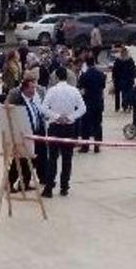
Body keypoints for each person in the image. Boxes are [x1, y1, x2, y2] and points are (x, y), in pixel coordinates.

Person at [42, 69, 86, 197]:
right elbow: (83, 108)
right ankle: (64, 187)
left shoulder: (52, 90)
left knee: (52, 158)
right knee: (67, 159)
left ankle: (49, 188)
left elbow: (44, 108)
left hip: (55, 127)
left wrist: (56, 116)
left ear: (55, 77)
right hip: (69, 127)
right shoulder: (74, 90)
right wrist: (71, 117)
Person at [5, 70, 47, 191]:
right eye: (32, 88)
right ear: (25, 89)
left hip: (36, 133)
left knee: (31, 159)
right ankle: (9, 182)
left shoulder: (33, 100)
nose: (34, 90)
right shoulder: (18, 99)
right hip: (23, 134)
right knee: (20, 160)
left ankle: (25, 183)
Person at [77, 59, 107, 153]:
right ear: (94, 64)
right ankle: (97, 146)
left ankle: (85, 146)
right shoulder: (101, 75)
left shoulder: (84, 76)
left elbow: (81, 89)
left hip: (87, 102)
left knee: (85, 124)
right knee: (97, 124)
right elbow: (103, 87)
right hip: (98, 102)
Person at [111, 46, 136, 112]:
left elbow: (114, 70)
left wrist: (114, 77)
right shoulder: (129, 60)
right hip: (126, 79)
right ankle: (125, 106)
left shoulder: (119, 60)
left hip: (121, 79)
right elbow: (133, 69)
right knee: (126, 93)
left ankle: (121, 106)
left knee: (122, 93)